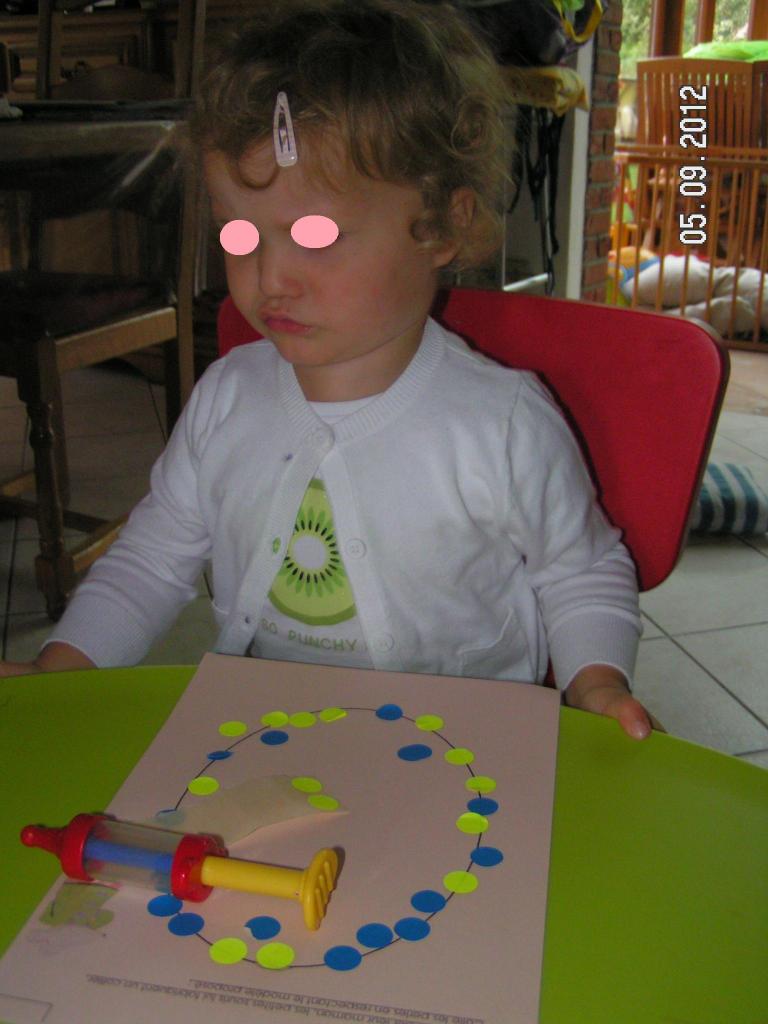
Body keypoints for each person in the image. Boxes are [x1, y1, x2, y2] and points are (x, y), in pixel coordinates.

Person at [0, 0, 655, 740]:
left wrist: (596, 682)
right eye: (239, 233)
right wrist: (67, 665)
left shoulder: (502, 425)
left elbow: (581, 570)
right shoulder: (224, 400)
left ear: (442, 226)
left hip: (468, 746)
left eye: (315, 235)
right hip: (273, 735)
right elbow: (150, 560)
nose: (270, 277)